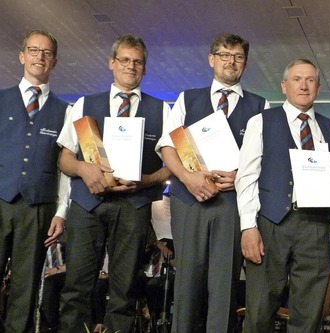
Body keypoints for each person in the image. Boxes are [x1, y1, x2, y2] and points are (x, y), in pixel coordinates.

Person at [57, 34, 171, 332]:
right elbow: (64, 159)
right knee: (77, 286)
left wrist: (145, 181)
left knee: (125, 289)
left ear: (144, 68)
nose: (130, 66)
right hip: (87, 205)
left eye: (137, 61)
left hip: (133, 207)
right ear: (111, 63)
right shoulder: (84, 104)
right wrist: (84, 168)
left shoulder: (163, 110)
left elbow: (172, 167)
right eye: (124, 59)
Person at [157, 32, 268, 333]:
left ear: (245, 63)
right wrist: (188, 178)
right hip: (188, 199)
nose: (231, 61)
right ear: (211, 59)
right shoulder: (186, 99)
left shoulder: (261, 106)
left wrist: (240, 176)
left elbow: (265, 158)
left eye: (238, 56)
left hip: (231, 205)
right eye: (224, 55)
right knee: (187, 282)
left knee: (224, 285)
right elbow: (167, 147)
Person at [236, 58, 330, 332]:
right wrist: (248, 227)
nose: (304, 85)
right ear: (284, 86)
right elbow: (247, 177)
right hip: (271, 224)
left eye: (310, 80)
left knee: (309, 312)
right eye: (297, 79)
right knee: (259, 308)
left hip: (317, 226)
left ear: (318, 87)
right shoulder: (261, 122)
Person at [0, 30, 69, 333]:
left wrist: (61, 212)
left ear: (54, 60)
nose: (39, 56)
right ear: (22, 56)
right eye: (33, 50)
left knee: (26, 287)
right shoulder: (0, 100)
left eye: (46, 52)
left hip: (38, 206)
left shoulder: (66, 110)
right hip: (1, 198)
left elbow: (66, 168)